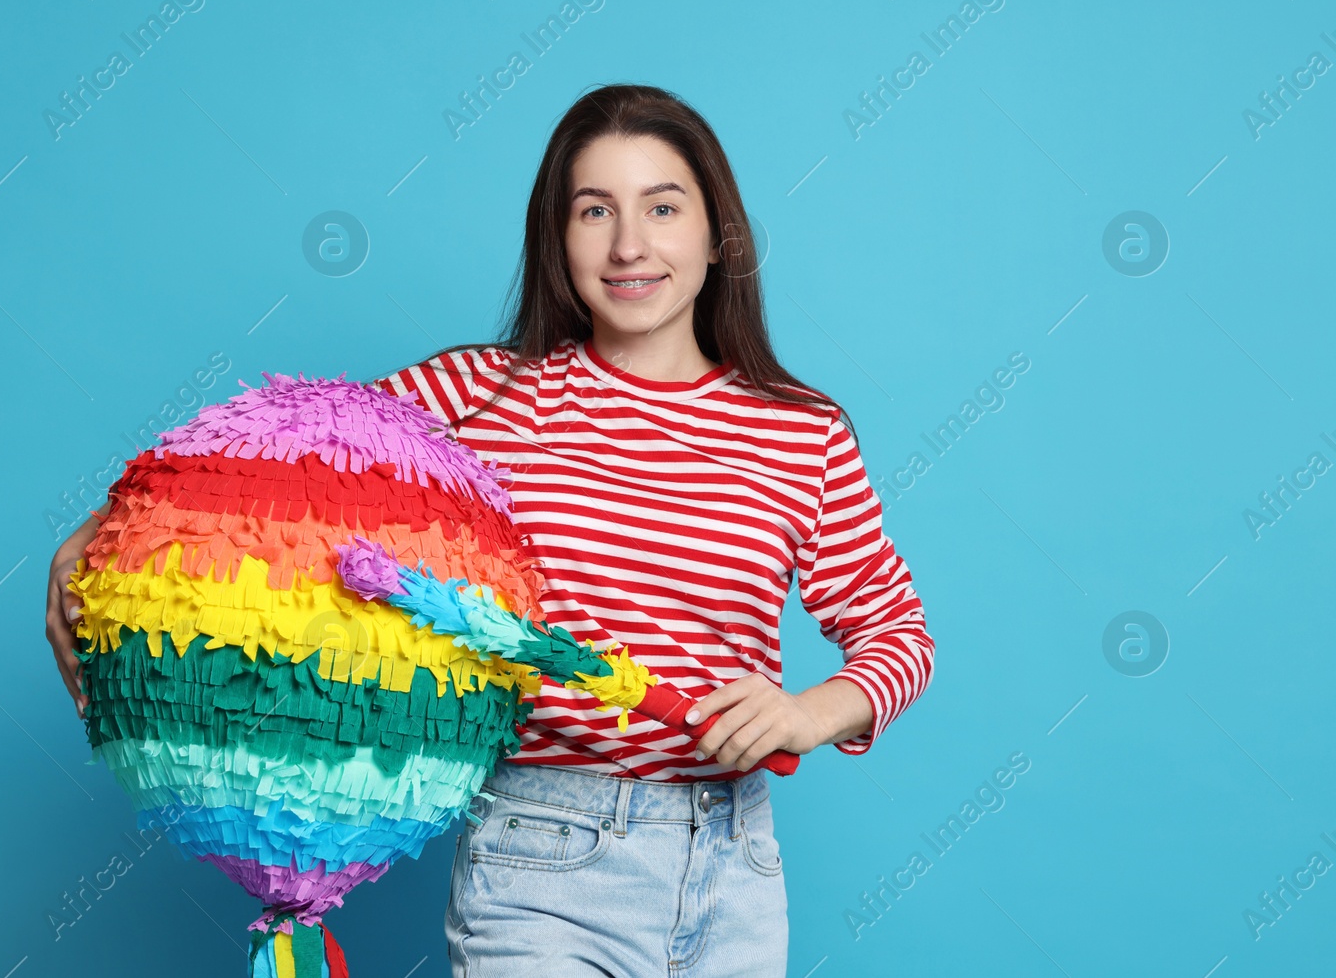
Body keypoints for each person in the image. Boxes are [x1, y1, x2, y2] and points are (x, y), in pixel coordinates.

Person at [45, 83, 934, 977]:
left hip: (737, 864)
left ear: (718, 233)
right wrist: (107, 530)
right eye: (595, 210)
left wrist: (808, 712)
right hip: (541, 860)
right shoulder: (481, 394)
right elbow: (277, 458)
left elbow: (897, 631)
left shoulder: (801, 430)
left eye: (663, 207)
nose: (630, 244)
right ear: (559, 236)